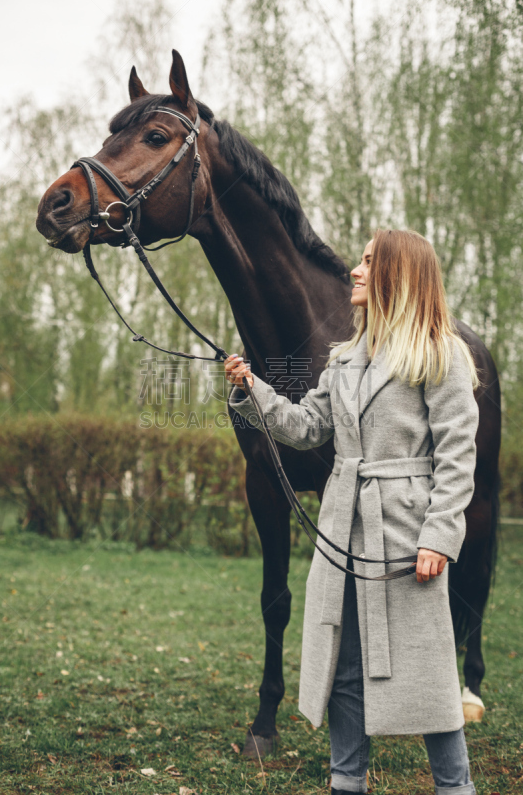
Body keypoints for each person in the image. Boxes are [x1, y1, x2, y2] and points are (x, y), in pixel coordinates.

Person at [224, 229, 480, 795]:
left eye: (367, 263)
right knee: (341, 664)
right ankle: (347, 783)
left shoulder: (441, 354)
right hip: (343, 526)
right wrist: (251, 389)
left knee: (430, 673)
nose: (355, 273)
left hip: (407, 530)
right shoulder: (344, 359)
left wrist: (439, 536)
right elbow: (307, 428)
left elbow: (458, 456)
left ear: (398, 274)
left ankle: (455, 786)